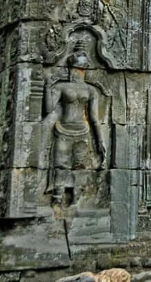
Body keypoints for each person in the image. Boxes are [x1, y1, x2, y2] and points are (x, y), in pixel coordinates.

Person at [42, 46, 108, 203]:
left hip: (82, 132)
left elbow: (94, 118)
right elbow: (49, 108)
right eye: (72, 69)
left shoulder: (91, 90)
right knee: (60, 165)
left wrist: (100, 140)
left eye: (77, 69)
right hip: (63, 130)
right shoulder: (61, 87)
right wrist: (47, 87)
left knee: (80, 167)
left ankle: (75, 201)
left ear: (83, 70)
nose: (74, 72)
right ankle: (57, 198)